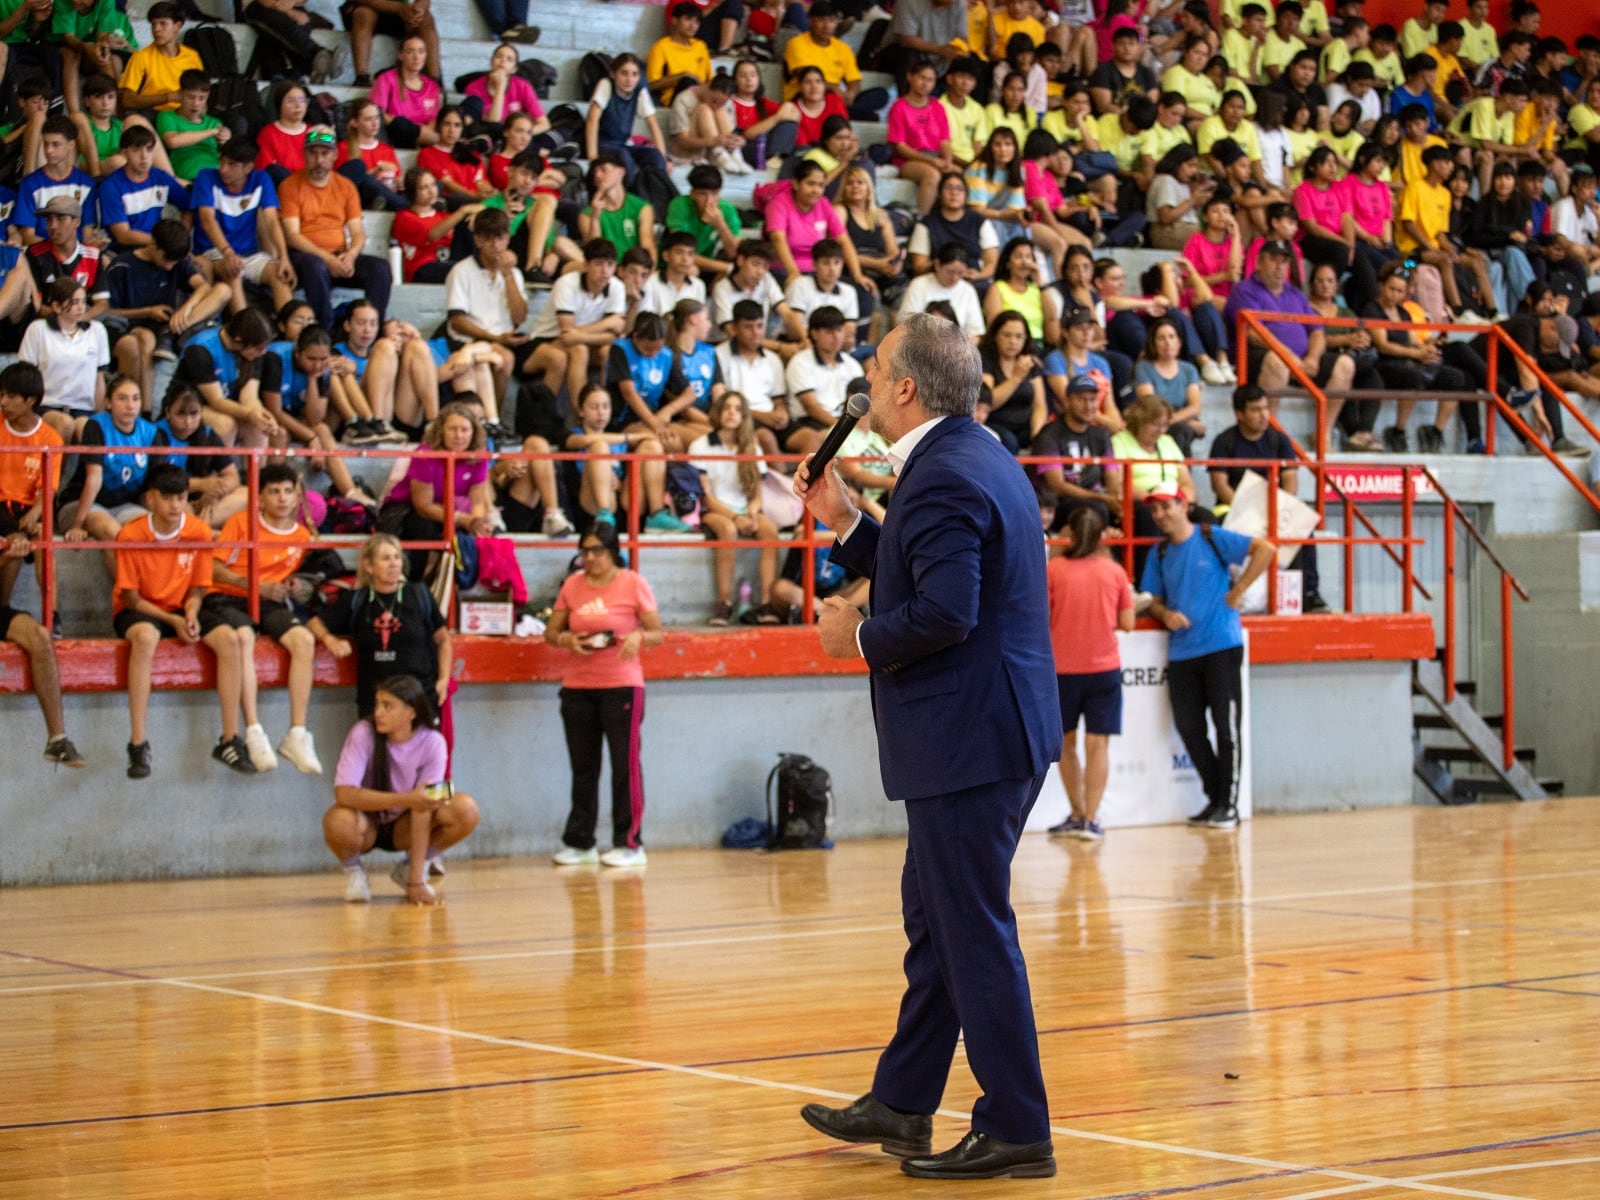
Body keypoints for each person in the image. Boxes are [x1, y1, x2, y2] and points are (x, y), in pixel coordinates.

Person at [794, 312, 1059, 1181]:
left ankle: (1018, 1125)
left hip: (970, 736)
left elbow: (946, 613)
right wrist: (843, 522)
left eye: (876, 365)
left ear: (905, 387)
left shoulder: (944, 475)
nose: (867, 376)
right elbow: (924, 568)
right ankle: (905, 1102)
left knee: (970, 930)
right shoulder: (967, 457)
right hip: (986, 729)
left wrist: (857, 638)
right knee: (938, 921)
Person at [1142, 477, 1275, 829]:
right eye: (1155, 509)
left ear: (1183, 505)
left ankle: (1227, 804)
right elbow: (1151, 598)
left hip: (1221, 645)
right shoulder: (1159, 553)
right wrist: (1163, 613)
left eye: (1165, 506)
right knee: (1190, 728)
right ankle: (1216, 799)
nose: (1160, 514)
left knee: (1226, 727)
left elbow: (1265, 549)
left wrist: (1240, 588)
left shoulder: (1210, 536)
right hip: (1183, 652)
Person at [537, 513, 665, 868]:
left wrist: (639, 636)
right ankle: (580, 841)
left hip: (621, 686)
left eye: (596, 551)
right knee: (583, 767)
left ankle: (629, 842)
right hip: (578, 687)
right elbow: (551, 632)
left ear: (612, 551)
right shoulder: (572, 585)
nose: (589, 558)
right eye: (584, 552)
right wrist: (567, 640)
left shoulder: (633, 583)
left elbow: (657, 632)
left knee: (625, 766)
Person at [200, 461, 324, 775]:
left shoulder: (301, 535)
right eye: (274, 492)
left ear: (298, 498)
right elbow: (214, 569)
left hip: (268, 600)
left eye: (288, 491)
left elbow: (303, 581)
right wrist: (256, 585)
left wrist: (297, 587)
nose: (282, 498)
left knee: (304, 641)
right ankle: (254, 731)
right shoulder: (242, 523)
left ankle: (297, 733)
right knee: (243, 638)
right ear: (260, 499)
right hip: (229, 595)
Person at [325, 674, 480, 905]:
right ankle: (355, 873)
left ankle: (414, 867)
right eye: (377, 704)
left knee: (465, 808)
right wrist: (406, 798)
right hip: (367, 824)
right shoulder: (362, 732)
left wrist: (415, 881)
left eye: (388, 706)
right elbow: (344, 793)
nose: (378, 712)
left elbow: (423, 807)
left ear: (411, 712)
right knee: (338, 820)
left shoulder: (434, 742)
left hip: (405, 826)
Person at [112, 463, 221, 779]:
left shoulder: (199, 532)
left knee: (230, 638)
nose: (175, 505)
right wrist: (172, 622)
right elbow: (131, 599)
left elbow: (199, 586)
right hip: (139, 608)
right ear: (151, 499)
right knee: (146, 637)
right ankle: (137, 742)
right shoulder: (131, 534)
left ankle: (233, 736)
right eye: (168, 498)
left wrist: (190, 612)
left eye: (182, 498)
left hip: (179, 608)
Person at [1045, 506, 1134, 841]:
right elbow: (1126, 622)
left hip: (1062, 670)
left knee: (1066, 745)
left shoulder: (1053, 569)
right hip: (1103, 669)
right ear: (1100, 537)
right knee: (1098, 746)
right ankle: (1092, 820)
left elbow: (1043, 616)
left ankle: (1077, 812)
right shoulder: (1113, 572)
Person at [1208, 383, 1331, 613]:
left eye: (1265, 408)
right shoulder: (1224, 441)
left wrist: (1279, 509)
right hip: (1233, 508)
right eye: (1255, 410)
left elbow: (1290, 481)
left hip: (1273, 508)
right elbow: (1220, 485)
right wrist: (1247, 509)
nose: (1264, 415)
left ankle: (1310, 593)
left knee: (1304, 528)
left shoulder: (1280, 440)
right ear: (1239, 414)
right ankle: (1225, 591)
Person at [307, 533, 453, 725]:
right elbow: (313, 623)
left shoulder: (418, 594)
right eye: (385, 558)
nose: (393, 564)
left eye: (397, 557)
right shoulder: (357, 599)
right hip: (375, 700)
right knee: (378, 754)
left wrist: (443, 679)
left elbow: (443, 640)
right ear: (369, 566)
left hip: (419, 695)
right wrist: (330, 640)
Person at [279, 127, 393, 330]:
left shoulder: (346, 186)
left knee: (380, 268)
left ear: (335, 155)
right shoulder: (290, 185)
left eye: (324, 153)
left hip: (339, 255)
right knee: (315, 265)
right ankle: (324, 331)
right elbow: (292, 235)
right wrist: (327, 258)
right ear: (304, 154)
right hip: (305, 256)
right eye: (313, 153)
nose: (319, 160)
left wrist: (350, 254)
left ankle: (372, 330)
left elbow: (357, 232)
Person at [191, 139, 298, 316]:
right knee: (233, 270)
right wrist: (228, 253)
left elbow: (272, 221)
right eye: (222, 162)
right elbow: (207, 220)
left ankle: (290, 333)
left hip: (249, 254)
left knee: (280, 275)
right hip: (214, 252)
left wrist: (284, 258)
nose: (223, 169)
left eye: (231, 164)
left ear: (248, 167)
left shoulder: (261, 179)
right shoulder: (206, 177)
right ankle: (246, 330)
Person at [1032, 372, 1123, 529]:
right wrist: (1103, 498)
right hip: (1056, 503)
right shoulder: (1049, 435)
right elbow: (1057, 486)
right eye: (1081, 399)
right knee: (1096, 509)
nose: (1088, 406)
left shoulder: (1101, 434)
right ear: (1067, 401)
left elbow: (1112, 476)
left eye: (1092, 400)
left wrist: (1116, 499)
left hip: (1094, 497)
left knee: (1136, 510)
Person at [116, 1, 202, 115]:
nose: (156, 29)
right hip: (154, 112)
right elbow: (127, 100)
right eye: (153, 24)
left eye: (163, 23)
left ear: (178, 26)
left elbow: (200, 92)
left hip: (185, 113)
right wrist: (168, 97)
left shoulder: (191, 56)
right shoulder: (141, 57)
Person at [344, 2, 440, 91]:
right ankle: (361, 76)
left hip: (399, 12)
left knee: (426, 17)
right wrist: (398, 8)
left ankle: (435, 79)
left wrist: (419, 8)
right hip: (367, 8)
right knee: (363, 13)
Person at [367, 35, 443, 146]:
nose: (416, 57)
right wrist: (407, 130)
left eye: (421, 51)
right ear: (400, 55)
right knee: (400, 124)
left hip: (424, 135)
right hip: (395, 131)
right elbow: (378, 112)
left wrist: (421, 133)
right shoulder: (386, 79)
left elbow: (433, 119)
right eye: (410, 52)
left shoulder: (432, 86)